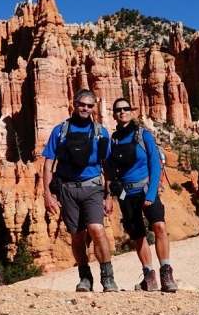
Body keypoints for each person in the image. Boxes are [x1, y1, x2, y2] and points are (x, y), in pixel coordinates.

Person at [42, 89, 117, 292]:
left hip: (92, 187)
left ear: (94, 108)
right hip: (67, 189)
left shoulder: (101, 132)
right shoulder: (60, 130)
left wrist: (109, 195)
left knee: (97, 230)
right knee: (77, 235)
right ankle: (85, 278)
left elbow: (108, 166)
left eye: (90, 105)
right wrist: (47, 194)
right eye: (82, 104)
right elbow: (49, 164)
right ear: (74, 104)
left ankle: (107, 277)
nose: (85, 108)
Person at [105, 97, 178, 292]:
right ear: (114, 114)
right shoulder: (113, 140)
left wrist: (151, 193)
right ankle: (149, 276)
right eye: (118, 110)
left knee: (159, 227)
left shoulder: (143, 135)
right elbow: (110, 168)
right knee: (138, 235)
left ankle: (166, 272)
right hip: (126, 194)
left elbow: (155, 164)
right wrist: (111, 192)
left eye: (126, 109)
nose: (123, 112)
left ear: (132, 112)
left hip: (146, 189)